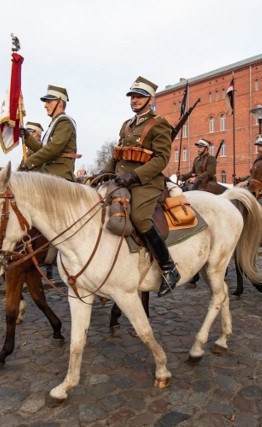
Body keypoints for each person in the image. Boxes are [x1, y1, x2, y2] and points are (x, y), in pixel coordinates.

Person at [102, 76, 179, 297]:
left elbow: (162, 159)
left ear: (150, 99)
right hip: (123, 179)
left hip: (147, 182)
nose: (134, 100)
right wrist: (102, 174)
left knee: (139, 217)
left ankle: (168, 267)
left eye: (139, 97)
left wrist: (134, 175)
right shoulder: (126, 125)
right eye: (132, 97)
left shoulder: (159, 123)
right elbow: (117, 154)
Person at [22, 85, 79, 182]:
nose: (45, 105)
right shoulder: (55, 123)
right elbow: (43, 149)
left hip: (60, 175)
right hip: (49, 173)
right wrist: (27, 136)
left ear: (60, 103)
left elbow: (52, 149)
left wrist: (29, 162)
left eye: (49, 102)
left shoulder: (65, 122)